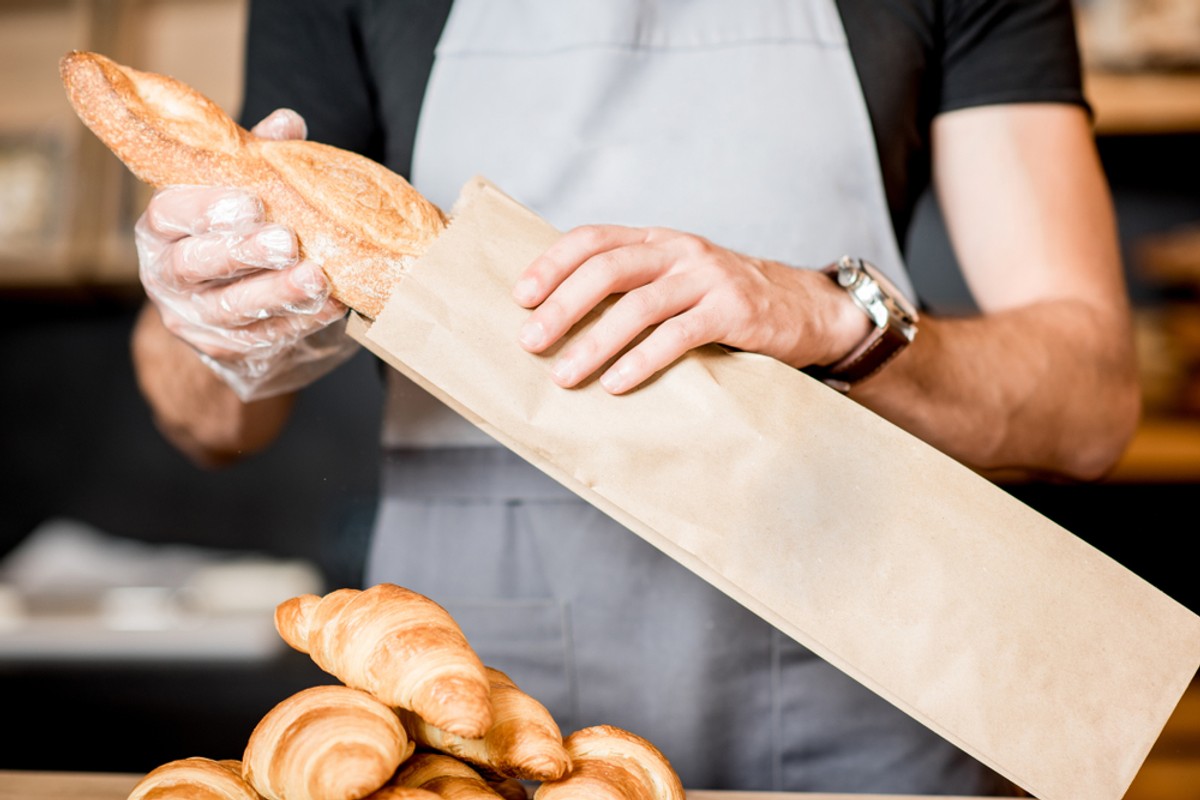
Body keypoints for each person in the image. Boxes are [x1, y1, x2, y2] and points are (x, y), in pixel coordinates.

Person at [130, 0, 1140, 793]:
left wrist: (835, 315)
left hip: (873, 697)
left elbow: (1093, 405)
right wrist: (217, 325)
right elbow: (214, 419)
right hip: (478, 705)